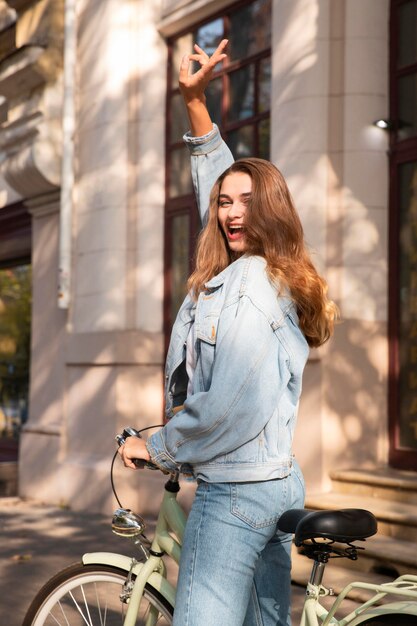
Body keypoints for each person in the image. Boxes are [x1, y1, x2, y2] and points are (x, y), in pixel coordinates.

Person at [118, 39, 337, 626]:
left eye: (246, 203)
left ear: (271, 211)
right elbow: (218, 180)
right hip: (278, 482)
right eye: (225, 204)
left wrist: (159, 445)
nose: (231, 212)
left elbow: (231, 405)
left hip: (238, 491)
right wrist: (195, 102)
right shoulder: (276, 271)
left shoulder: (248, 285)